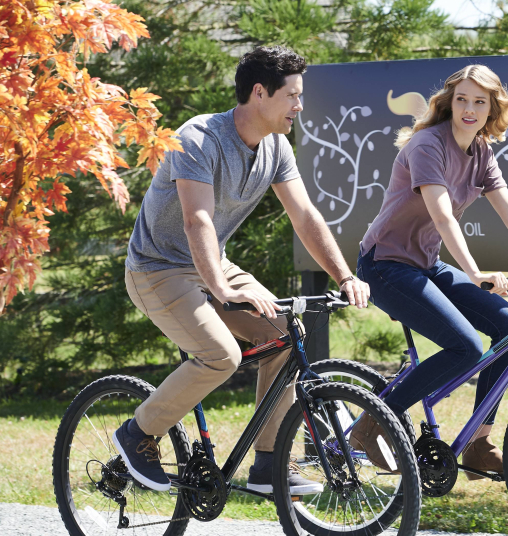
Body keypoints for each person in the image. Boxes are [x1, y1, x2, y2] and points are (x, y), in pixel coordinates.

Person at [115, 46, 370, 495]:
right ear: (260, 93)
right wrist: (222, 289)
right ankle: (137, 434)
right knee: (221, 356)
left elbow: (304, 216)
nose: (299, 105)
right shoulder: (200, 138)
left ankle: (269, 465)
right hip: (158, 268)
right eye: (292, 95)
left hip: (212, 264)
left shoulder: (276, 147)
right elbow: (197, 219)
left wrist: (344, 276)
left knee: (286, 336)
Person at [352, 64, 508, 477]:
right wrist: (475, 273)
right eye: (462, 100)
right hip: (384, 264)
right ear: (449, 102)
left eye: (479, 102)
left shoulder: (481, 151)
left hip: (425, 263)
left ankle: (478, 445)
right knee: (466, 347)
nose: (470, 110)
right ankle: (373, 423)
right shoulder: (428, 145)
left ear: (493, 107)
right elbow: (442, 215)